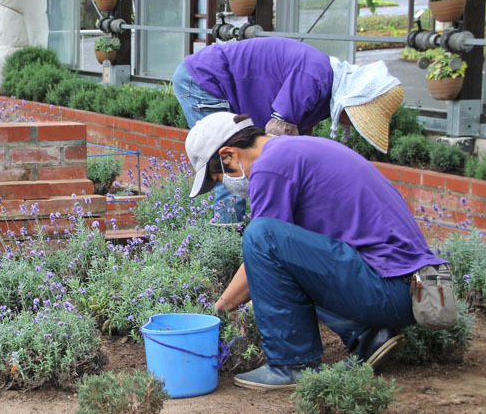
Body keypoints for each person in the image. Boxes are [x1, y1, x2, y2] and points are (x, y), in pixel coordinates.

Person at [184, 111, 447, 391]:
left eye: (219, 176)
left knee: (260, 235)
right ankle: (370, 335)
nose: (226, 185)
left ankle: (291, 363)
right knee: (287, 256)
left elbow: (262, 254)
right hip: (409, 288)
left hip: (388, 289)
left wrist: (218, 310)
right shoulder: (296, 149)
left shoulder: (270, 166)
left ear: (229, 155)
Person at [173, 37, 403, 225]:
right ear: (350, 103)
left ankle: (249, 232)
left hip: (216, 81)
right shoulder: (315, 78)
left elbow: (296, 153)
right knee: (227, 161)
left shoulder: (324, 88)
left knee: (237, 160)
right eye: (356, 119)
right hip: (204, 79)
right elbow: (273, 149)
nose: (351, 125)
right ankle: (227, 234)